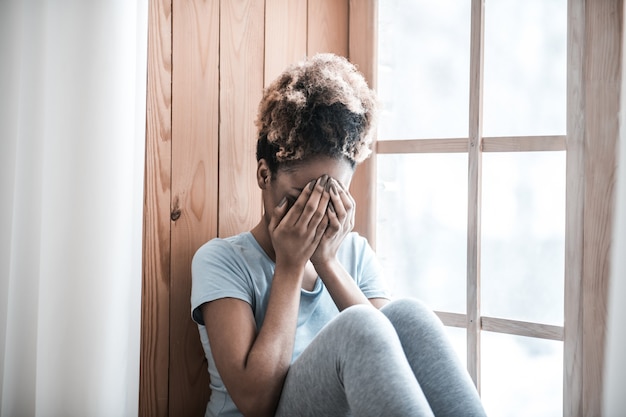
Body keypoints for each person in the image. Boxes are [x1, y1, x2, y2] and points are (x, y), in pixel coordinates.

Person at [191, 53, 487, 417]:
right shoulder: (222, 260)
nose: (316, 213)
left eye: (331, 196)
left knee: (410, 316)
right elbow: (255, 402)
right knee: (361, 325)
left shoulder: (355, 254)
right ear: (265, 176)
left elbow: (393, 361)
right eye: (303, 197)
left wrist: (327, 262)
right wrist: (290, 265)